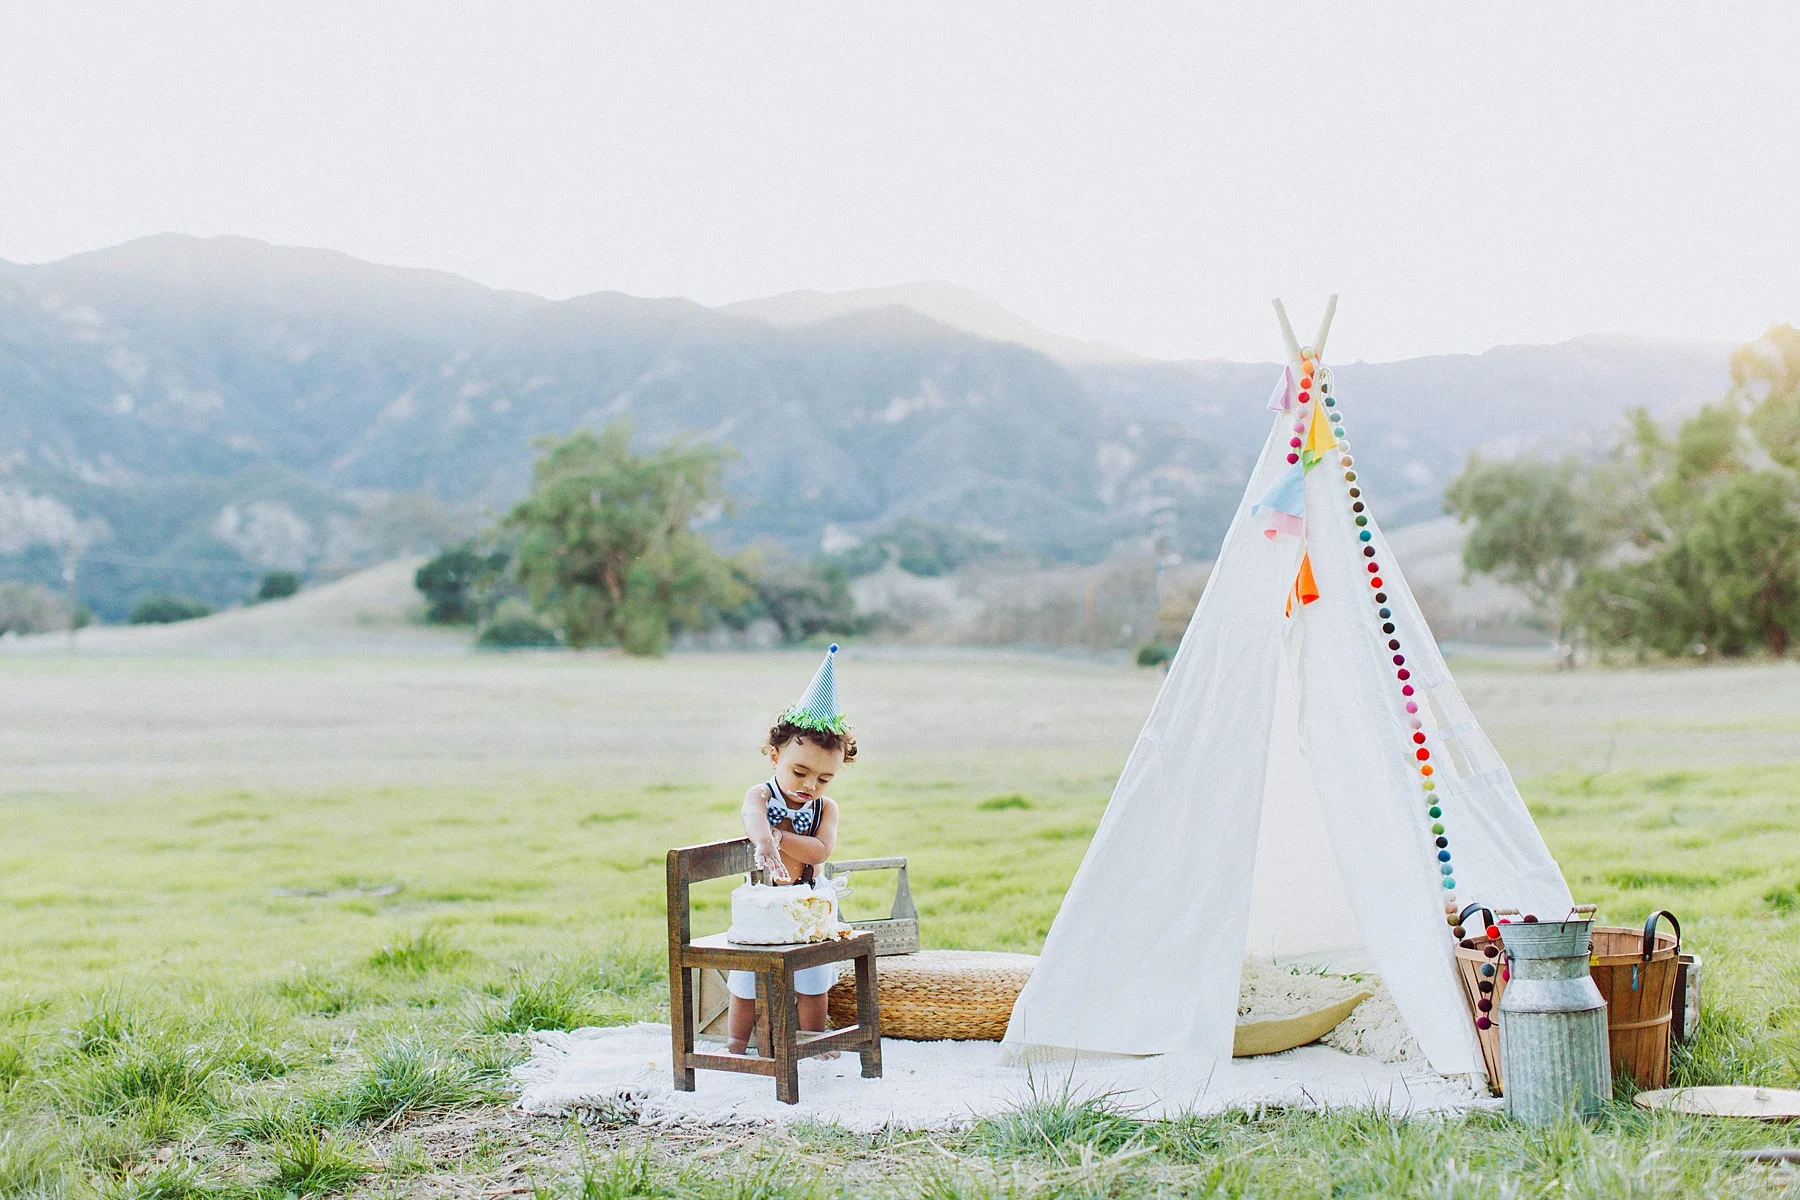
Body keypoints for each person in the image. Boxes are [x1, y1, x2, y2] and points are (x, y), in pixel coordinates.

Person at [727, 644, 857, 1055]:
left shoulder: (825, 808)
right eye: (799, 772)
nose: (809, 786)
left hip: (809, 901)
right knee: (747, 977)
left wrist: (781, 838)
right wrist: (764, 839)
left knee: (813, 975)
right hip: (764, 901)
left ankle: (813, 1037)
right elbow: (752, 818)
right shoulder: (760, 797)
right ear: (774, 757)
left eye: (823, 778)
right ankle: (735, 1041)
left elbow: (819, 852)